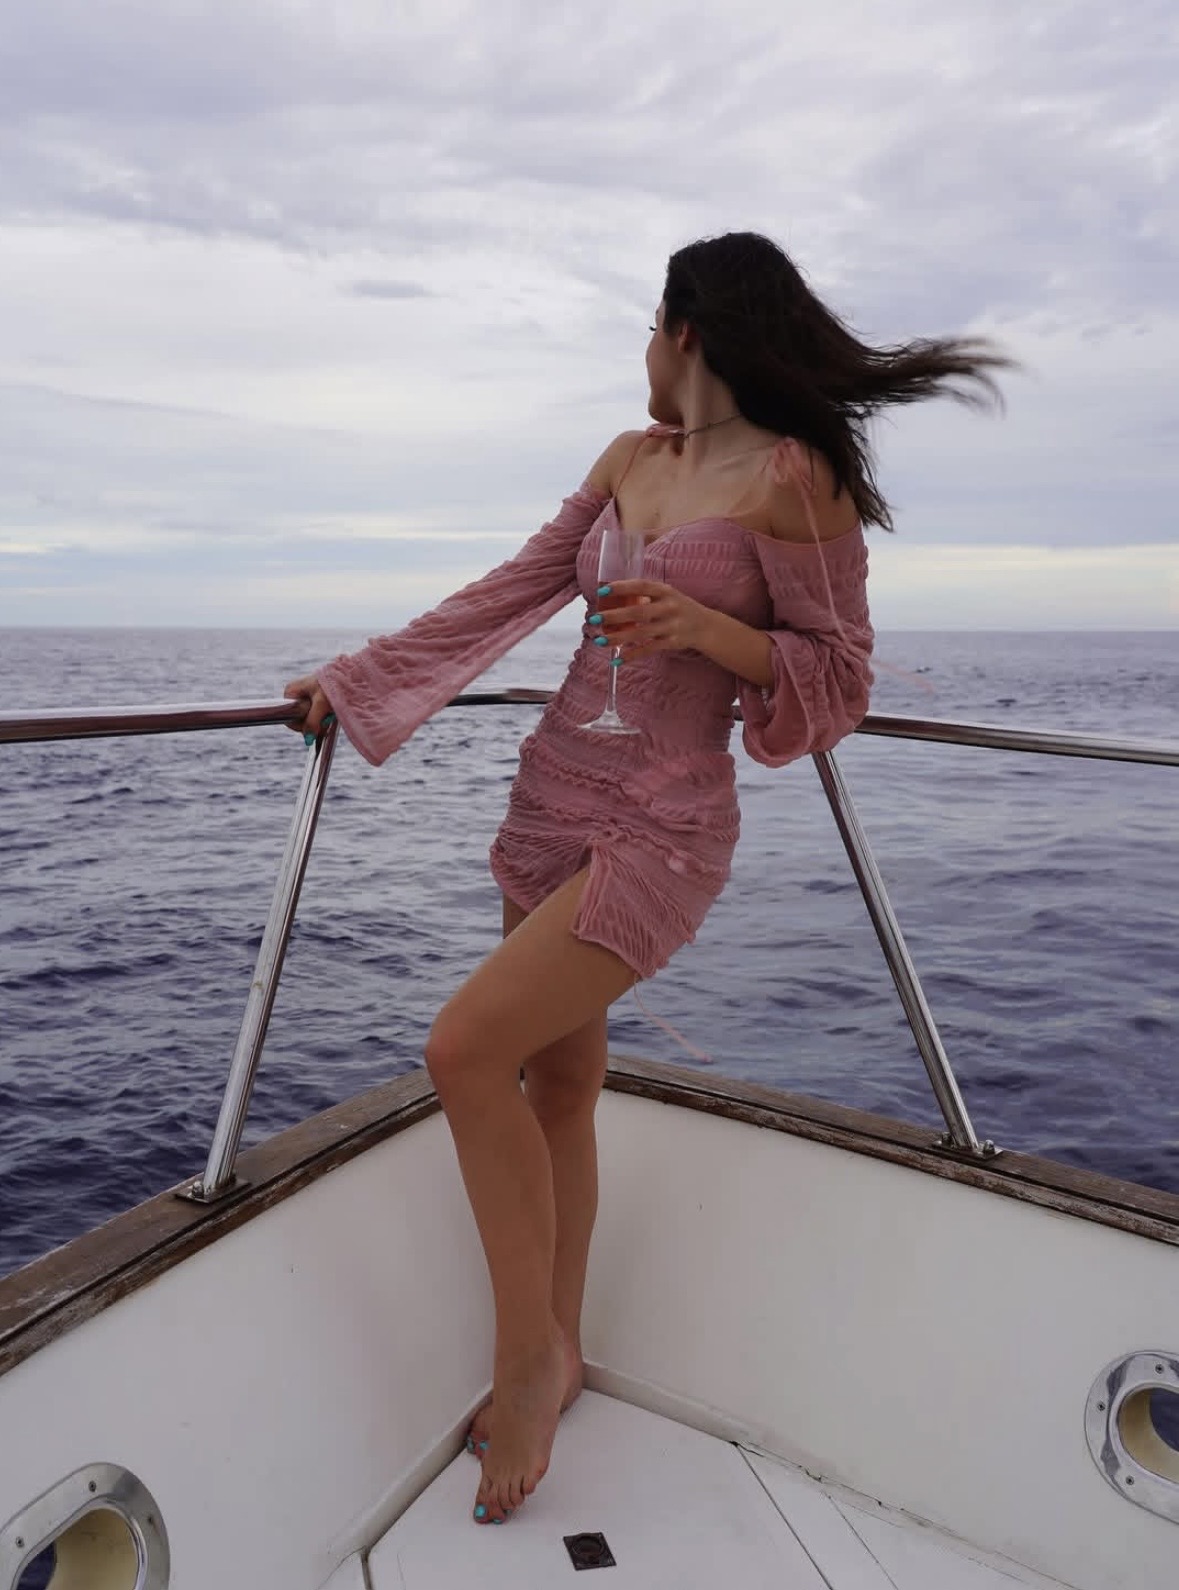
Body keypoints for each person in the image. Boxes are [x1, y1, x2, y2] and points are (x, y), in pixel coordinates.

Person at [284, 230, 1009, 1526]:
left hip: (663, 822)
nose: (642, 350)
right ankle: (563, 1345)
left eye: (649, 325)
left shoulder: (799, 479)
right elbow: (514, 590)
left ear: (687, 331)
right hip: (553, 789)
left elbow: (838, 676)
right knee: (558, 1083)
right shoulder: (631, 457)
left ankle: (521, 1362)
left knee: (463, 1049)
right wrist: (359, 676)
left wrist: (710, 628)